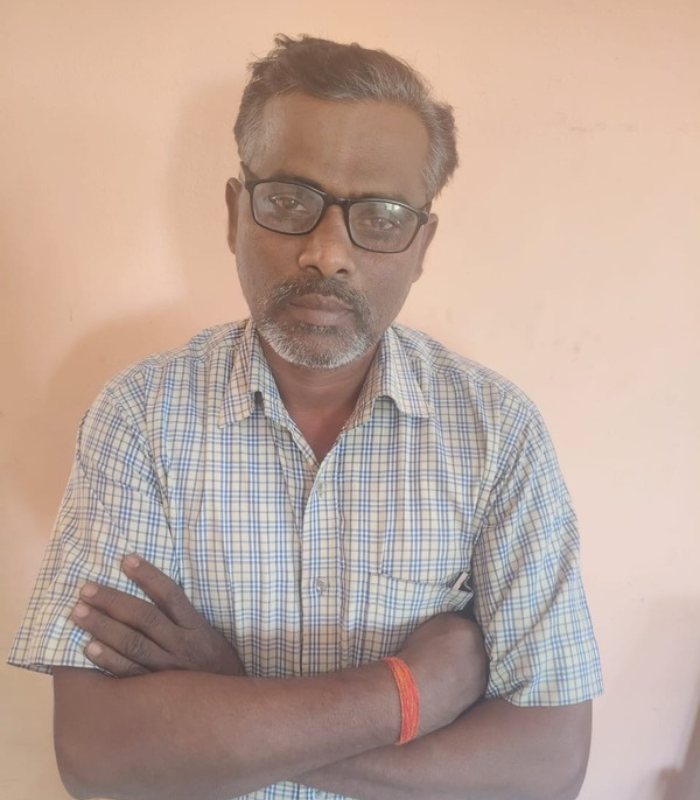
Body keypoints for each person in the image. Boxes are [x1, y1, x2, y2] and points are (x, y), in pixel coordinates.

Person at [9, 34, 603, 800]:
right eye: (290, 201)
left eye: (381, 217)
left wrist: (228, 692)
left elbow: (546, 768)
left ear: (422, 245)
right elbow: (99, 756)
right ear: (235, 213)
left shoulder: (498, 434)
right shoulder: (140, 416)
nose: (326, 252)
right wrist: (410, 692)